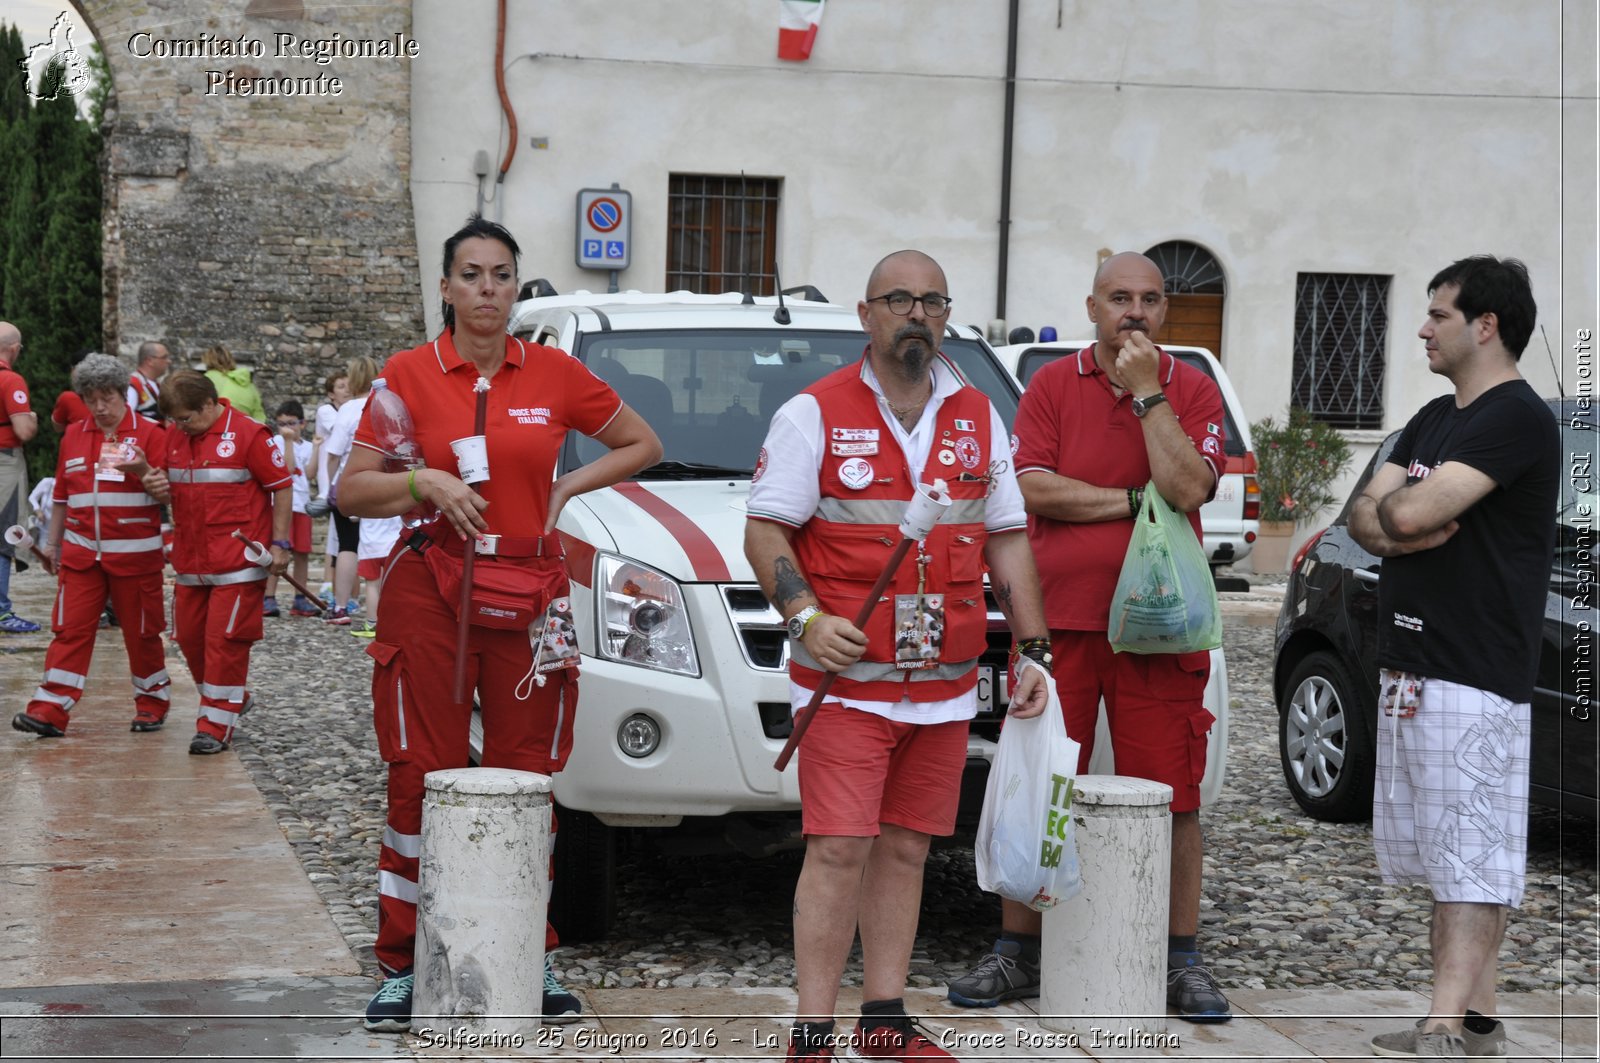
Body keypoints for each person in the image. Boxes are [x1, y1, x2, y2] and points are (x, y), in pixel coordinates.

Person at [335, 214, 660, 1034]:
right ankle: (403, 964)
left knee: (529, 781)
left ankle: (531, 952)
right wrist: (424, 486)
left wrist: (566, 490)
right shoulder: (406, 375)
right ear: (444, 288)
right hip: (430, 595)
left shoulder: (553, 372)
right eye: (471, 274)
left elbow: (642, 441)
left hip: (532, 596)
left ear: (518, 286)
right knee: (418, 776)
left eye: (502, 274)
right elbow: (352, 489)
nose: (487, 289)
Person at [745, 249, 1051, 1061]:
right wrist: (805, 616)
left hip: (944, 690)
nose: (917, 314)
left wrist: (1035, 648)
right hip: (847, 687)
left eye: (932, 301)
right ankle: (811, 1034)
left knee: (908, 848)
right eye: (899, 300)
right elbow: (766, 531)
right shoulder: (813, 412)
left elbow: (1008, 538)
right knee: (839, 848)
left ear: (947, 315)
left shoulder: (979, 414)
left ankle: (885, 1021)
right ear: (866, 313)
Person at [949, 252, 1233, 1024]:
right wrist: (1134, 496)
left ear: (1166, 311)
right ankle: (1019, 952)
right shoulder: (1049, 386)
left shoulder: (1192, 389)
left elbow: (1187, 486)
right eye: (1118, 299)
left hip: (1161, 627)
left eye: (1148, 299)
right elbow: (1033, 485)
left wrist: (1149, 397)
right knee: (1038, 783)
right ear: (1092, 306)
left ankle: (1179, 960)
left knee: (1172, 794)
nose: (1133, 313)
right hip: (1060, 621)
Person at [1350, 256, 1558, 1060]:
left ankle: (1440, 1028)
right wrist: (1392, 516)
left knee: (1474, 860)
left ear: (1486, 326)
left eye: (1437, 313)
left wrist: (1399, 512)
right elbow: (1372, 513)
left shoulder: (1516, 418)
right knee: (1452, 858)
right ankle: (1478, 1021)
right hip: (1414, 665)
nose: (1422, 327)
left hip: (1475, 671)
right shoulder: (1438, 416)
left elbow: (1416, 506)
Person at [11, 354, 171, 738]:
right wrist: (52, 545)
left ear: (123, 394)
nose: (99, 408)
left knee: (142, 634)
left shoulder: (153, 434)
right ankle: (50, 709)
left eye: (107, 398)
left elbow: (167, 492)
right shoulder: (75, 434)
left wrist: (146, 473)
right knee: (68, 630)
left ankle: (152, 702)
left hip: (135, 558)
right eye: (91, 399)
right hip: (82, 556)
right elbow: (63, 495)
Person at [139, 370, 292, 755]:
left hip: (238, 564)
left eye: (186, 419)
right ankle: (231, 699)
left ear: (209, 404)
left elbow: (282, 488)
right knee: (189, 640)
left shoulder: (249, 434)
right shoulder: (176, 434)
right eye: (175, 420)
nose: (179, 427)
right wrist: (153, 484)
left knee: (223, 642)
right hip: (191, 563)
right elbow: (167, 489)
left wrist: (280, 544)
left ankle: (214, 726)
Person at [321, 357, 378, 625]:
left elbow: (332, 453)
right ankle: (379, 612)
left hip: (351, 481)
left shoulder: (348, 409)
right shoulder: (384, 404)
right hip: (380, 482)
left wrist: (330, 485)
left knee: (347, 545)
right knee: (383, 547)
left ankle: (341, 607)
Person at [0, 321, 41, 634]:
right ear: (13, 349)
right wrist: (32, 419)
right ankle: (1, 612)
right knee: (5, 535)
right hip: (4, 464)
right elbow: (23, 431)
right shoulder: (11, 380)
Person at [265, 400, 317, 617]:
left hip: (302, 505)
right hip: (281, 505)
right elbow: (285, 469)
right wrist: (287, 442)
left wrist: (318, 448)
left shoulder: (308, 446)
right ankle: (268, 597)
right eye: (281, 423)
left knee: (302, 553)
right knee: (278, 549)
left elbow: (310, 473)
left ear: (302, 424)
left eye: (291, 423)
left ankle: (300, 599)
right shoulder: (276, 441)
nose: (286, 428)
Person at [201, 345, 268, 423]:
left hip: (223, 426)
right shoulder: (247, 383)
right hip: (245, 427)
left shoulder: (209, 378)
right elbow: (259, 415)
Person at [127, 341, 172, 422]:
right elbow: (126, 418)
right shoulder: (133, 385)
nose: (169, 361)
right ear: (149, 361)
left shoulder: (156, 384)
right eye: (164, 357)